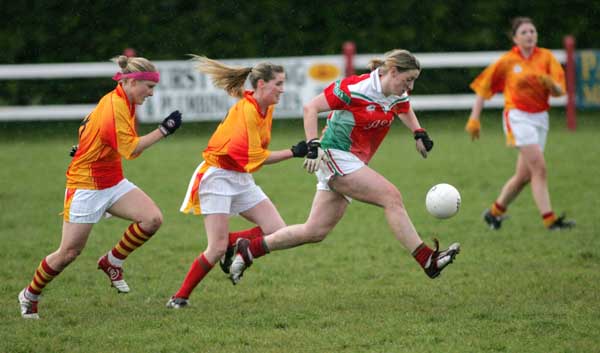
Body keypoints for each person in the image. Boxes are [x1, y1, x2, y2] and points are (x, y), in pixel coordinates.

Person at [225, 49, 461, 285]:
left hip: (352, 161)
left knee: (314, 231)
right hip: (334, 155)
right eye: (408, 80)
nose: (410, 86)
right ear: (392, 71)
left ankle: (249, 249)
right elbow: (311, 108)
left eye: (413, 81)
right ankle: (427, 259)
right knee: (391, 197)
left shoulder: (396, 92)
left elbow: (403, 107)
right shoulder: (355, 89)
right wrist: (313, 144)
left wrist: (418, 133)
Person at [17, 55, 183, 319]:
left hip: (112, 180)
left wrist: (85, 146)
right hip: (86, 185)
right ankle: (29, 295)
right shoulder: (115, 106)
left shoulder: (121, 99)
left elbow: (86, 124)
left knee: (151, 219)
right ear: (130, 82)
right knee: (69, 252)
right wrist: (165, 129)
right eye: (148, 87)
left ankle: (112, 261)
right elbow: (131, 150)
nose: (151, 93)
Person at [166, 56, 308, 309]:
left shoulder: (267, 107)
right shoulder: (247, 111)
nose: (282, 89)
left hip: (240, 176)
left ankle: (237, 243)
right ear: (262, 84)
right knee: (216, 247)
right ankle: (180, 297)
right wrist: (293, 152)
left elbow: (252, 158)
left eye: (283, 83)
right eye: (278, 83)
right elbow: (256, 157)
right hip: (217, 176)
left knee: (277, 230)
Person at [465, 17, 575, 230]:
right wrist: (474, 118)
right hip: (517, 117)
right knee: (539, 169)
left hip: (541, 118)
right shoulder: (508, 61)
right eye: (524, 32)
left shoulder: (546, 58)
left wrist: (551, 84)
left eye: (532, 31)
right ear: (515, 38)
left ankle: (494, 213)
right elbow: (483, 88)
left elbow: (561, 92)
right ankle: (550, 220)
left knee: (524, 175)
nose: (529, 35)